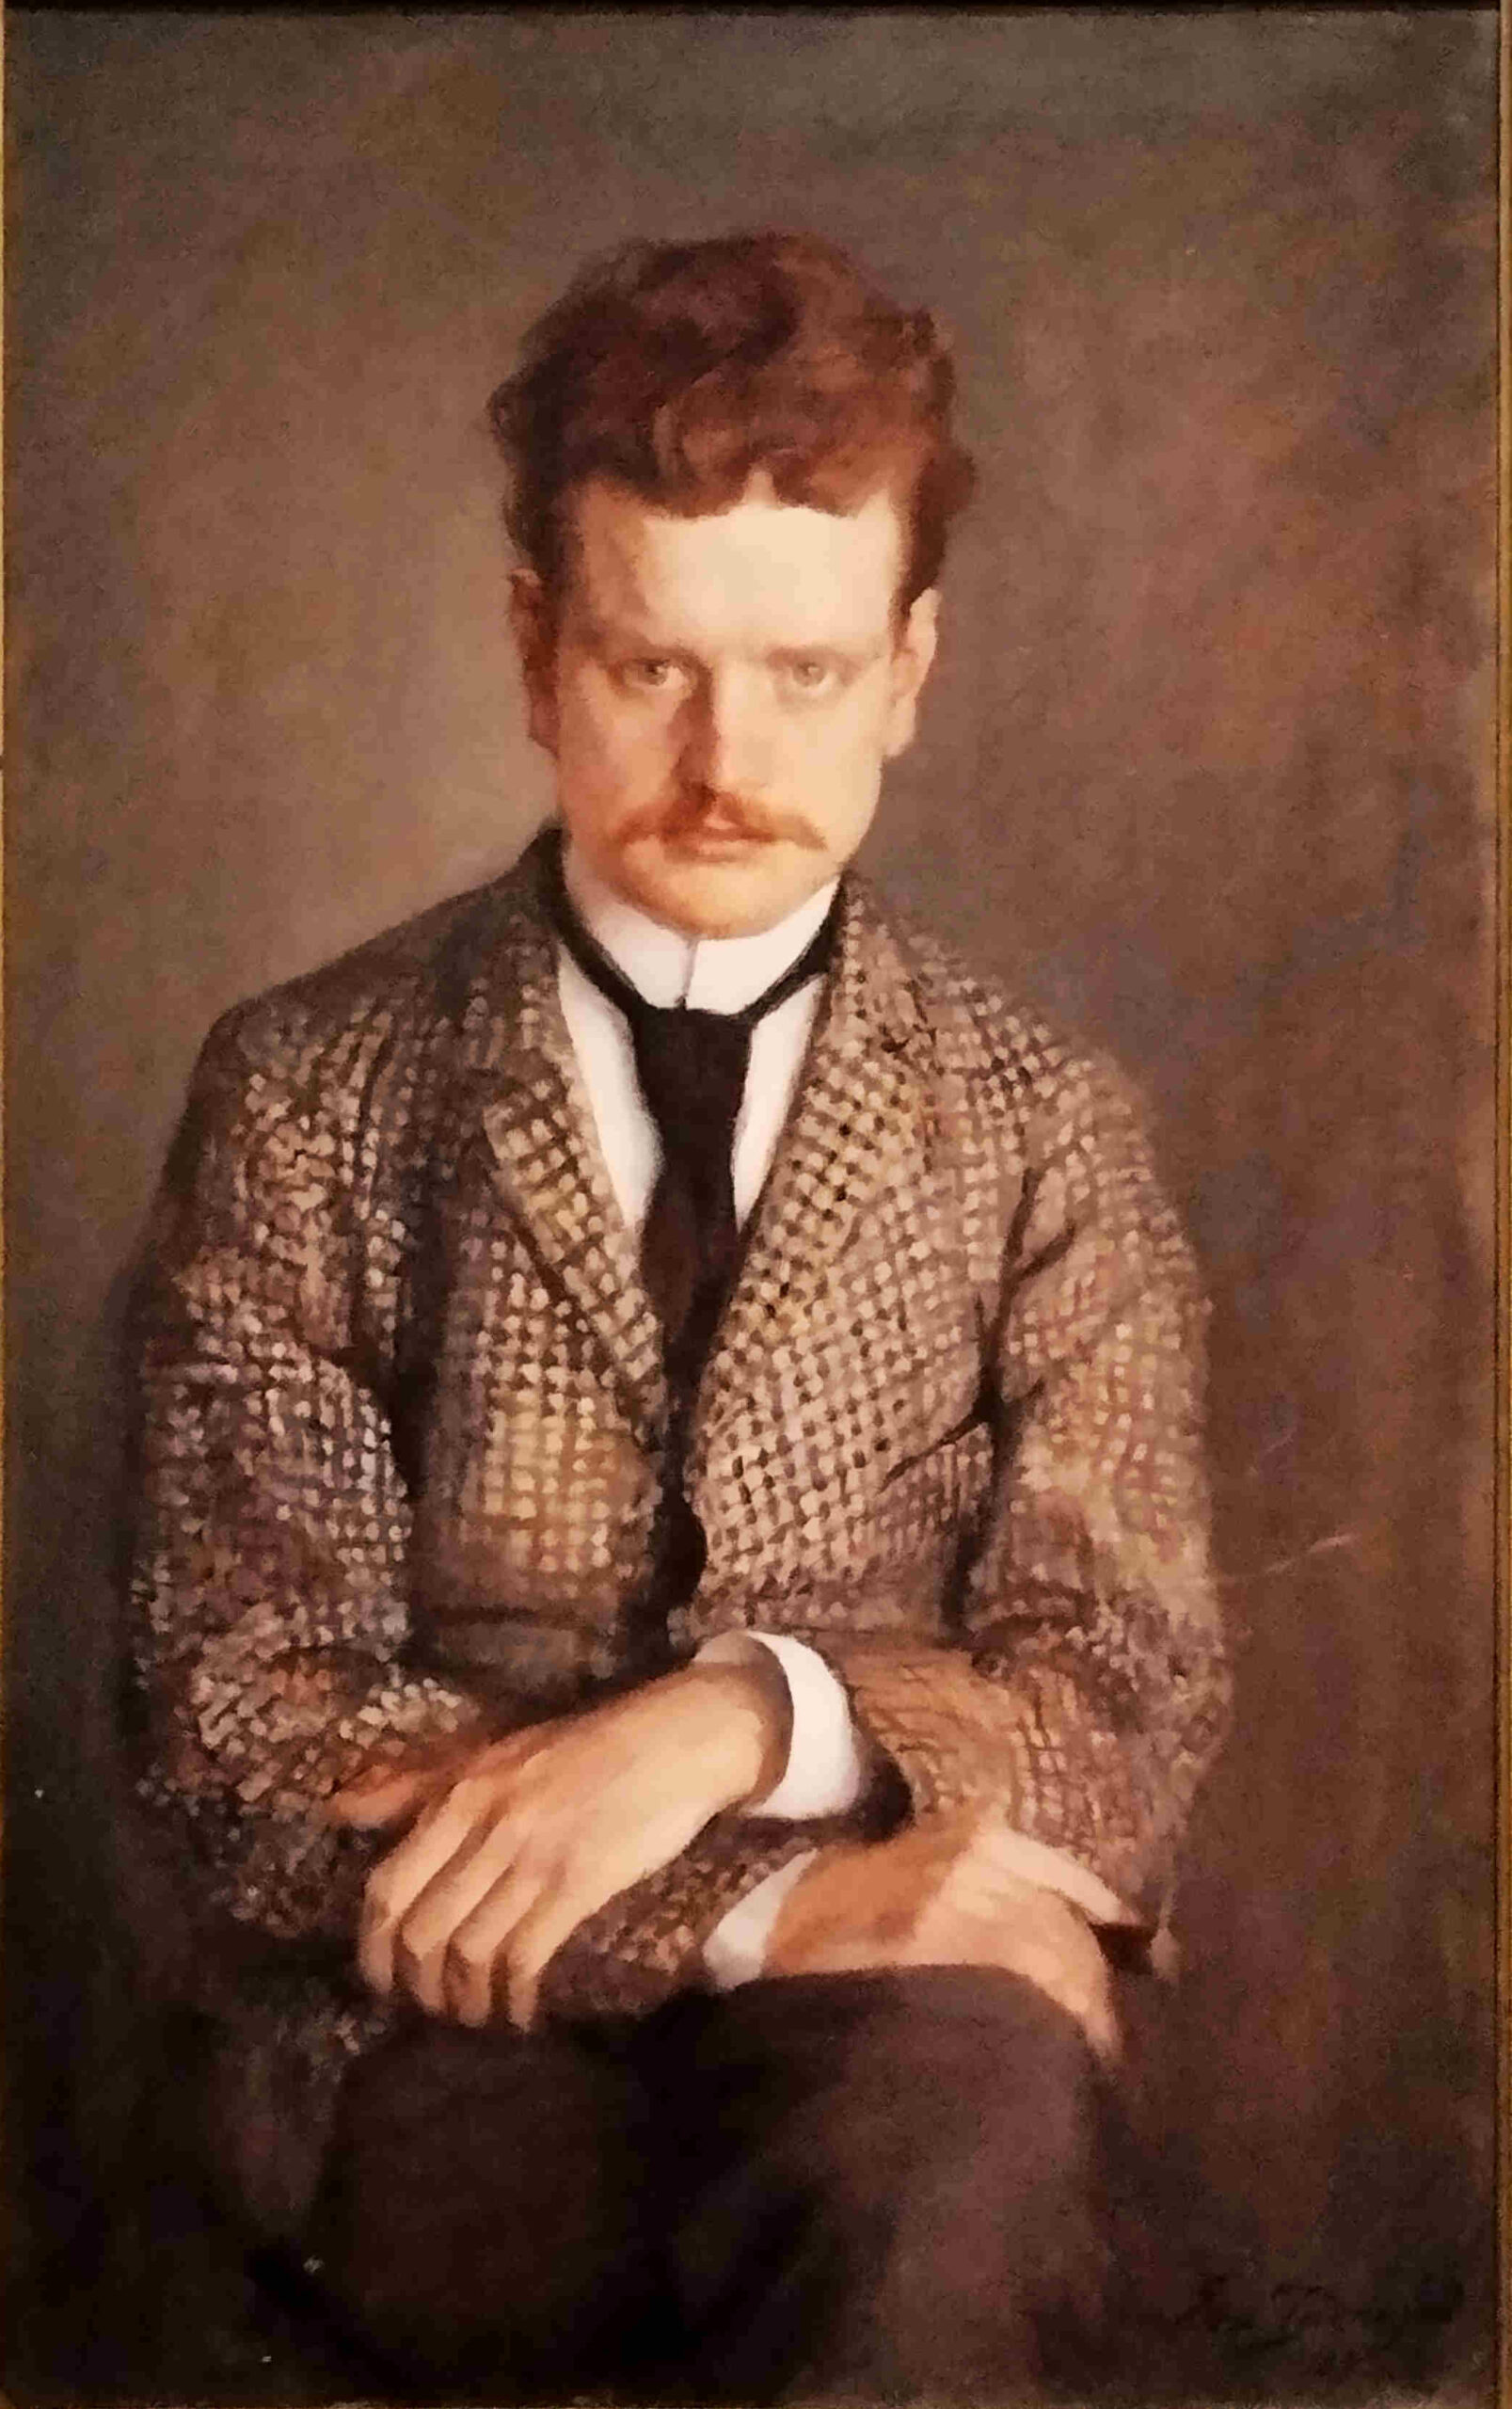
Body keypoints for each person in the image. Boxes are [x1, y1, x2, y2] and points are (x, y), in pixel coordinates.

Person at [126, 230, 1231, 2401]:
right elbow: (238, 1730)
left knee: (950, 2138)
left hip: (917, 2043)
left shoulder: (1047, 1123)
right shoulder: (305, 1089)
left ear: (910, 668)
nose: (728, 754)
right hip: (439, 2040)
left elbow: (1127, 1703)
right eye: (654, 665)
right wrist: (764, 1905)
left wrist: (749, 1714)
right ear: (535, 650)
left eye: (805, 670)